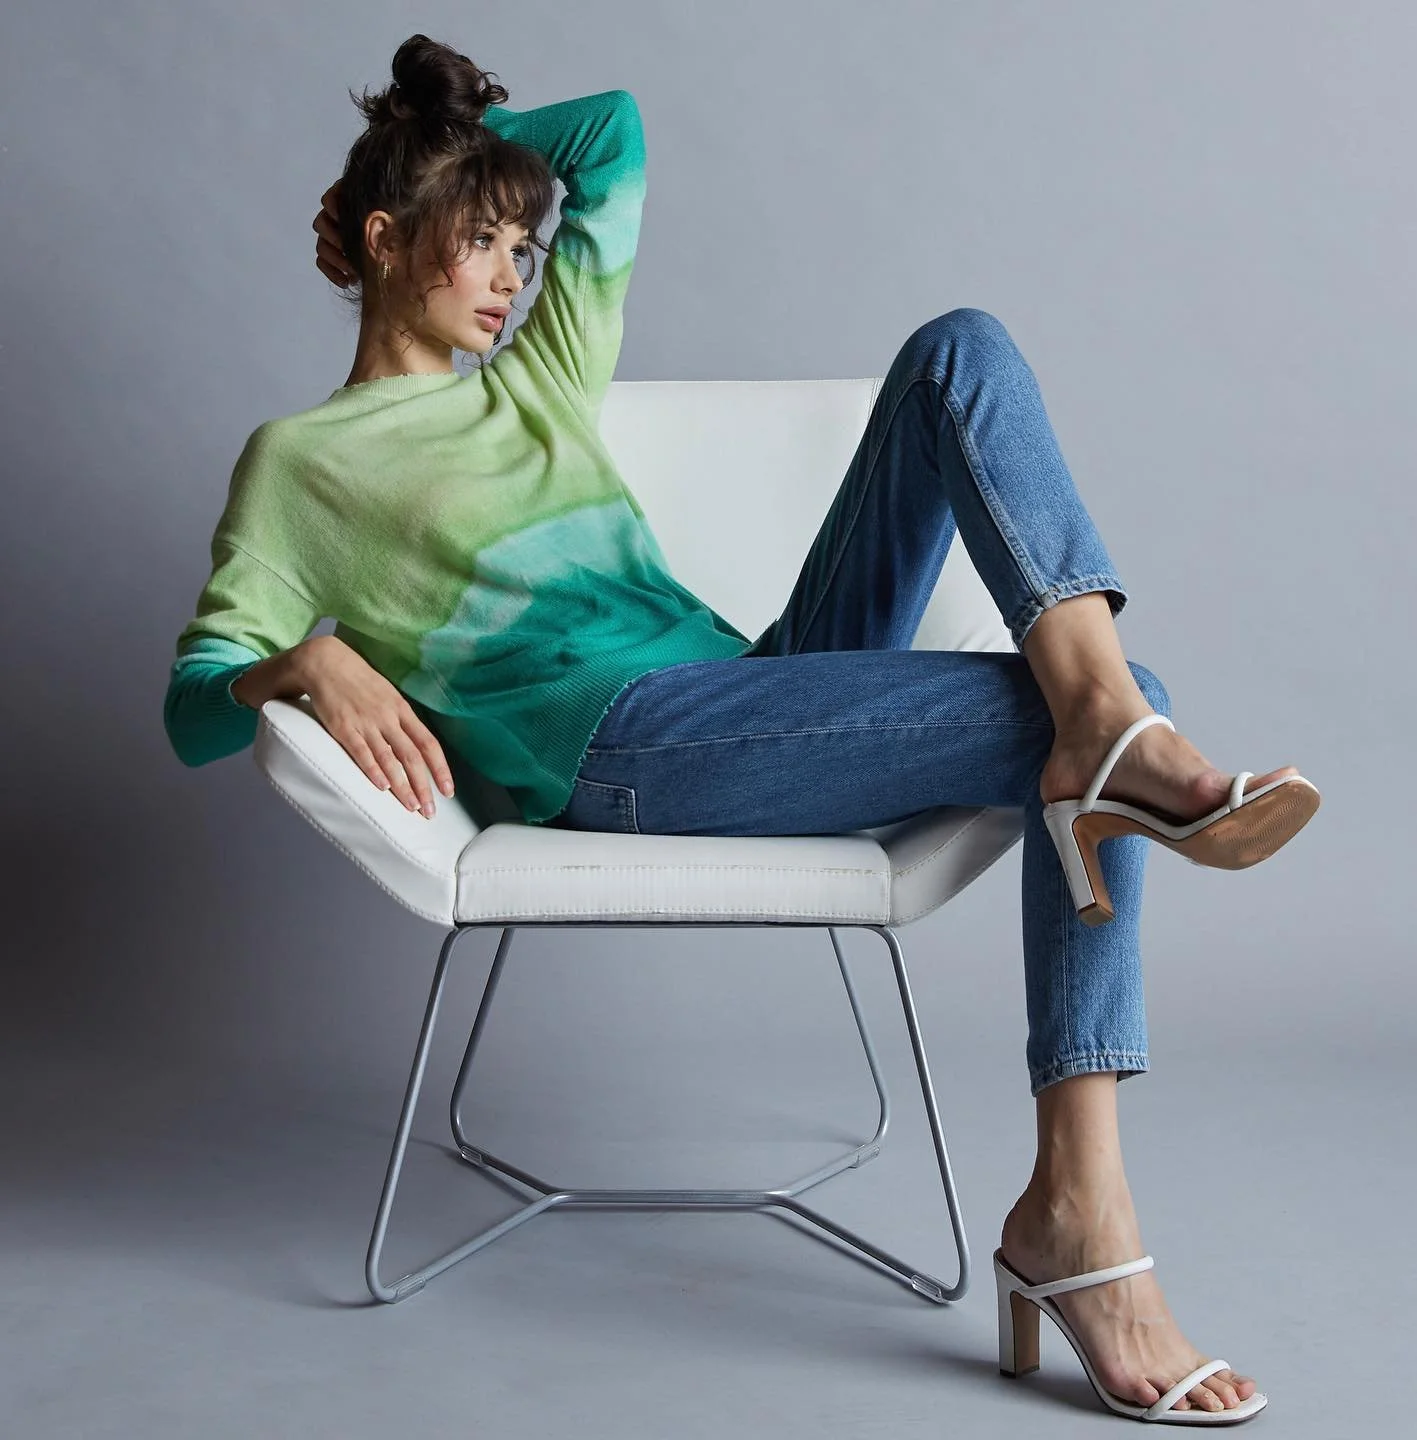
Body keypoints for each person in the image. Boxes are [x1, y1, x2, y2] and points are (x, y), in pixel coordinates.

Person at [167, 32, 1320, 1424]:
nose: (514, 279)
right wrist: (306, 662)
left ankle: (1103, 736)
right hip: (618, 752)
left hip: (747, 688)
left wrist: (461, 141)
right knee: (1125, 713)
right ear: (383, 238)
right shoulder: (298, 466)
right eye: (482, 245)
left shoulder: (536, 377)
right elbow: (192, 707)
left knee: (960, 353)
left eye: (524, 250)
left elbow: (614, 134)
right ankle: (1083, 1198)